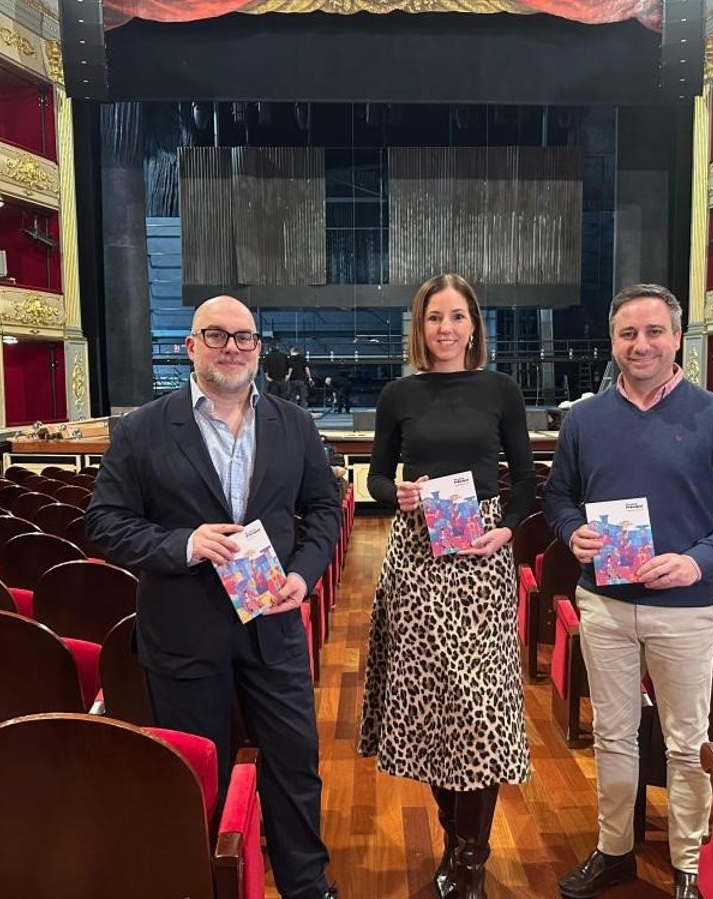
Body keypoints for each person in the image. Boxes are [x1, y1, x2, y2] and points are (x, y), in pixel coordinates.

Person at [85, 296, 342, 899]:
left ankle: (305, 882)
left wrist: (304, 575)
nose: (232, 347)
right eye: (216, 335)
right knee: (198, 771)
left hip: (273, 622)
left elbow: (324, 509)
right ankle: (208, 884)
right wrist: (184, 543)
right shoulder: (143, 428)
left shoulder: (294, 424)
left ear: (258, 347)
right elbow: (104, 522)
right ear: (191, 346)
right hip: (183, 629)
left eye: (243, 337)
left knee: (294, 760)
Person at [543, 284, 713, 899]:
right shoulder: (585, 418)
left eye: (653, 332)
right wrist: (570, 531)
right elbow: (558, 496)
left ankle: (689, 861)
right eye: (628, 333)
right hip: (604, 604)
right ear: (613, 341)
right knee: (613, 734)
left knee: (687, 740)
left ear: (676, 338)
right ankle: (614, 849)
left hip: (685, 610)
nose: (640, 344)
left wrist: (700, 562)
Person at [359, 273, 535, 899]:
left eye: (458, 316)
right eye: (435, 317)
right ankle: (454, 842)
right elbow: (377, 477)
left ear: (474, 325)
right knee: (431, 706)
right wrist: (398, 494)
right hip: (416, 557)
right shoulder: (398, 395)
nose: (446, 328)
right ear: (421, 325)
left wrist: (506, 530)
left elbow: (526, 480)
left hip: (482, 558)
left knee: (480, 709)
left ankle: (471, 860)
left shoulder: (501, 390)